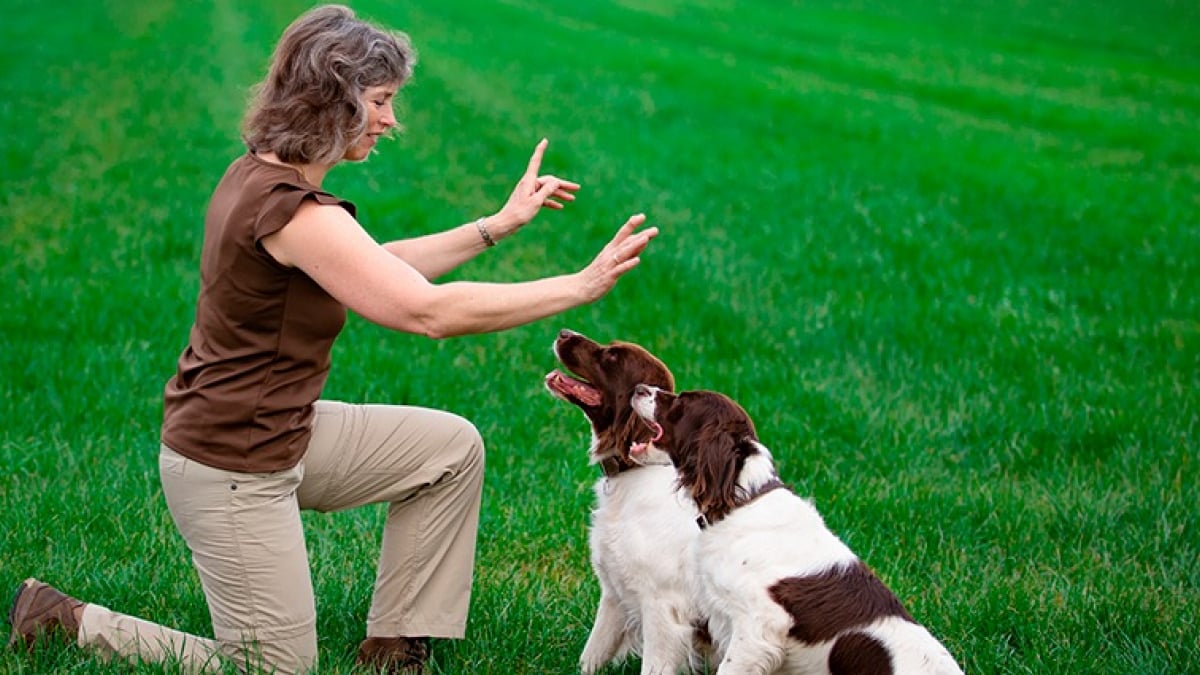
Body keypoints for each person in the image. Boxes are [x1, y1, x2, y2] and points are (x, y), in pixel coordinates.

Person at [6, 4, 656, 674]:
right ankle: (67, 621)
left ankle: (393, 646)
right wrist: (577, 288)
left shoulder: (264, 179)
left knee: (450, 449)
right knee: (274, 666)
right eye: (379, 101)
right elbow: (424, 311)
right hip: (232, 466)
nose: (390, 119)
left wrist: (495, 226)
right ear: (332, 101)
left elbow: (381, 263)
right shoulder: (290, 209)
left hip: (278, 431)